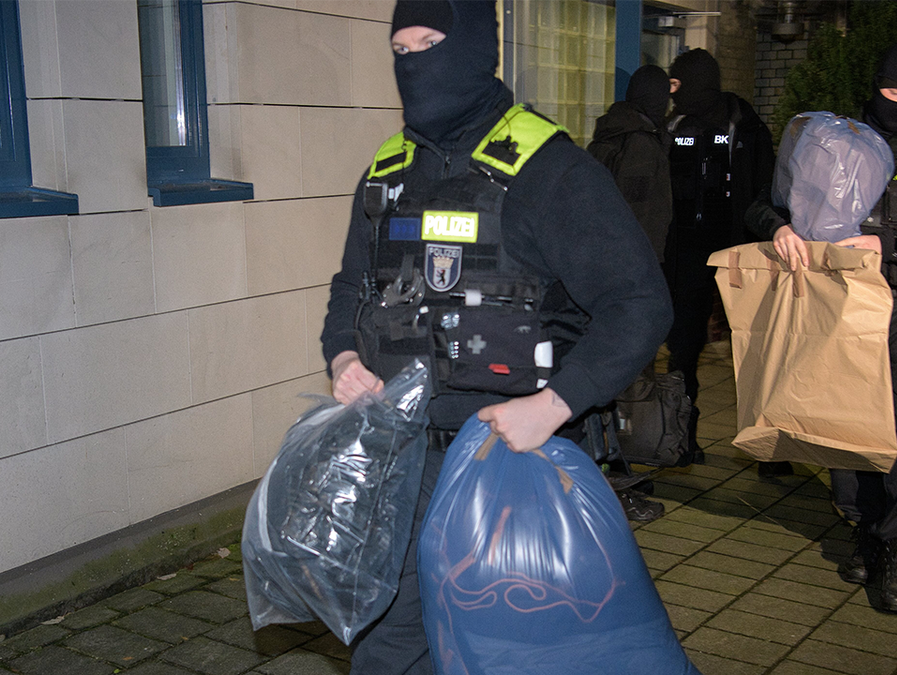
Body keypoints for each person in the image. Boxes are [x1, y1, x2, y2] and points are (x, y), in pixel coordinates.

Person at [320, 1, 672, 671]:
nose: (415, 61)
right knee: (388, 645)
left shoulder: (551, 172)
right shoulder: (388, 173)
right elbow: (349, 288)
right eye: (401, 47)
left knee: (514, 647)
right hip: (402, 458)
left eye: (431, 41)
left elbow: (640, 303)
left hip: (512, 461)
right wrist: (342, 355)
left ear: (478, 47)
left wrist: (555, 404)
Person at [745, 39, 897, 614]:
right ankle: (864, 527)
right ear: (875, 83)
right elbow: (763, 201)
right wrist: (777, 226)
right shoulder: (830, 139)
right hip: (833, 305)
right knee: (843, 425)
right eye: (892, 88)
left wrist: (890, 241)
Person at [662, 48, 776, 467]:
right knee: (684, 348)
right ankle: (680, 440)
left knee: (755, 348)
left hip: (738, 253)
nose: (671, 93)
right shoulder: (674, 125)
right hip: (688, 254)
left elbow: (764, 189)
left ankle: (771, 449)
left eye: (676, 84)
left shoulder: (744, 125)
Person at [588, 64, 673, 263]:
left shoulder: (609, 135)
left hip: (601, 250)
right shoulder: (641, 144)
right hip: (631, 259)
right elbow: (639, 209)